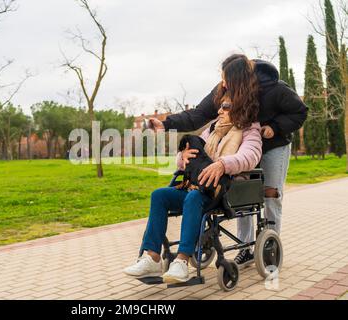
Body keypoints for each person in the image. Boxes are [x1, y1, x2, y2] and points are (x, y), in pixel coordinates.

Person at [149, 54, 308, 268]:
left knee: (270, 195)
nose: (223, 84)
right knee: (241, 192)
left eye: (226, 79)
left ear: (239, 80)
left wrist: (275, 127)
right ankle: (245, 249)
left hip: (273, 144)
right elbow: (198, 115)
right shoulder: (223, 90)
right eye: (222, 79)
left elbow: (300, 111)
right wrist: (165, 124)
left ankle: (271, 245)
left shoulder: (274, 89)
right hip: (240, 143)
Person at [124, 55, 262, 283]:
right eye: (220, 106)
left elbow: (250, 156)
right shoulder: (213, 130)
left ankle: (182, 261)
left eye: (225, 106)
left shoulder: (249, 129)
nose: (219, 110)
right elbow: (189, 157)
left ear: (239, 104)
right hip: (197, 187)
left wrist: (222, 164)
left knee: (193, 199)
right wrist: (182, 157)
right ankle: (152, 257)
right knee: (159, 196)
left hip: (221, 192)